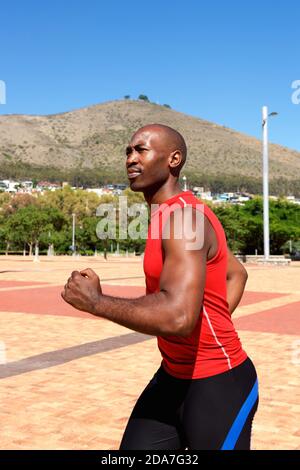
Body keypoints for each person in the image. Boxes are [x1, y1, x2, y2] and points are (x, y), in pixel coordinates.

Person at [61, 124, 258, 450]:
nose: (130, 159)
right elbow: (236, 274)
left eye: (141, 150)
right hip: (173, 376)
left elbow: (179, 318)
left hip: (219, 383)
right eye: (128, 151)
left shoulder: (184, 219)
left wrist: (96, 302)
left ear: (173, 159)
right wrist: (209, 323)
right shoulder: (167, 215)